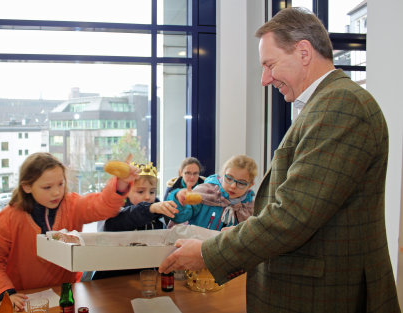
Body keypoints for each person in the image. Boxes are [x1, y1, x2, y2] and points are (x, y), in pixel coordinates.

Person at [159, 7, 400, 312]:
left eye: (270, 65)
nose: (264, 79)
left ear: (303, 52)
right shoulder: (324, 105)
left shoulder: (340, 105)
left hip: (323, 296)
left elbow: (292, 216)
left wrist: (209, 253)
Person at [0, 152, 138, 311]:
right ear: (26, 187)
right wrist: (5, 293)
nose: (56, 192)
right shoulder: (8, 218)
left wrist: (121, 183)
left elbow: (102, 206)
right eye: (47, 187)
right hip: (22, 298)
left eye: (60, 184)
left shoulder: (72, 205)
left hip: (64, 295)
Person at [166, 155, 256, 231]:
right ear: (223, 175)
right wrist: (178, 198)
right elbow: (179, 216)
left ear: (250, 185)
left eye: (241, 183)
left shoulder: (249, 208)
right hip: (193, 248)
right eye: (229, 178)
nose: (233, 186)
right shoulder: (205, 192)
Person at [100, 162, 178, 231]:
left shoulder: (159, 215)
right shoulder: (117, 210)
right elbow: (114, 223)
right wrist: (149, 209)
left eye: (152, 192)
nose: (147, 197)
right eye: (140, 192)